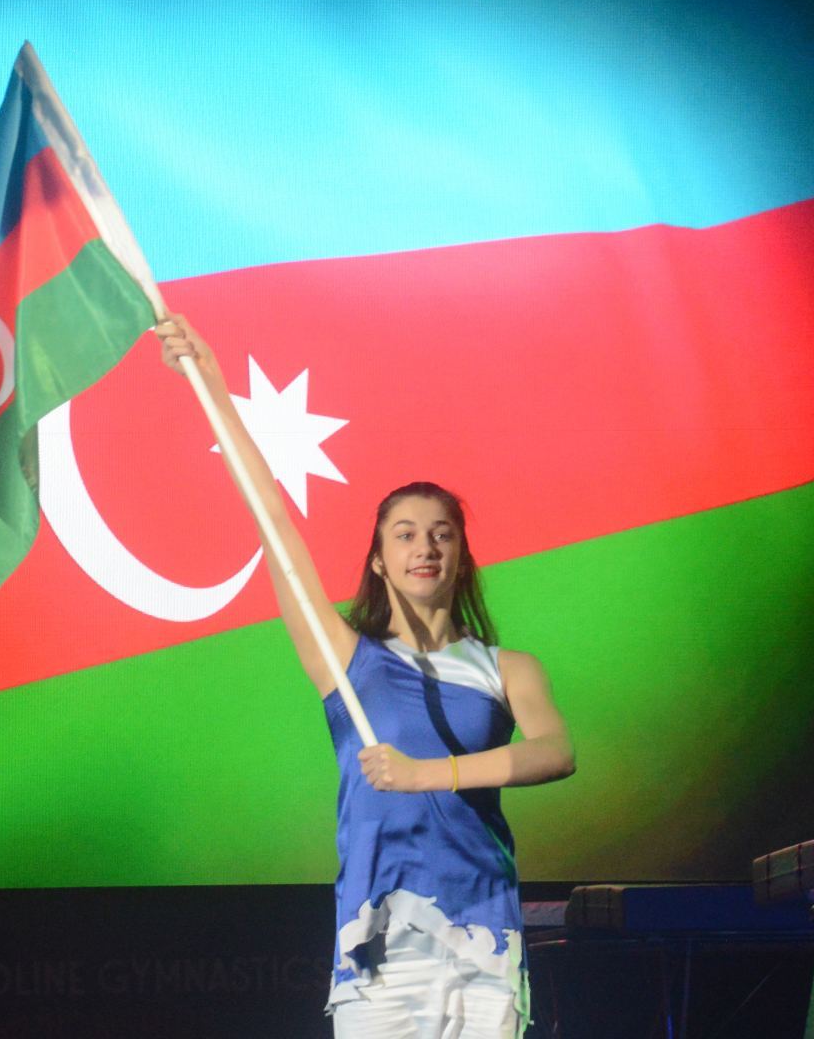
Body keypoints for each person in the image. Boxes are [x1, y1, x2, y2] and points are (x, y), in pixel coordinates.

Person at [156, 314, 575, 1039]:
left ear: (461, 557)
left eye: (441, 534)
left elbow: (555, 753)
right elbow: (272, 518)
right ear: (379, 560)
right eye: (404, 535)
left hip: (483, 933)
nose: (425, 547)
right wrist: (214, 386)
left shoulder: (507, 668)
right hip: (378, 941)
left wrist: (425, 775)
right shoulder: (345, 658)